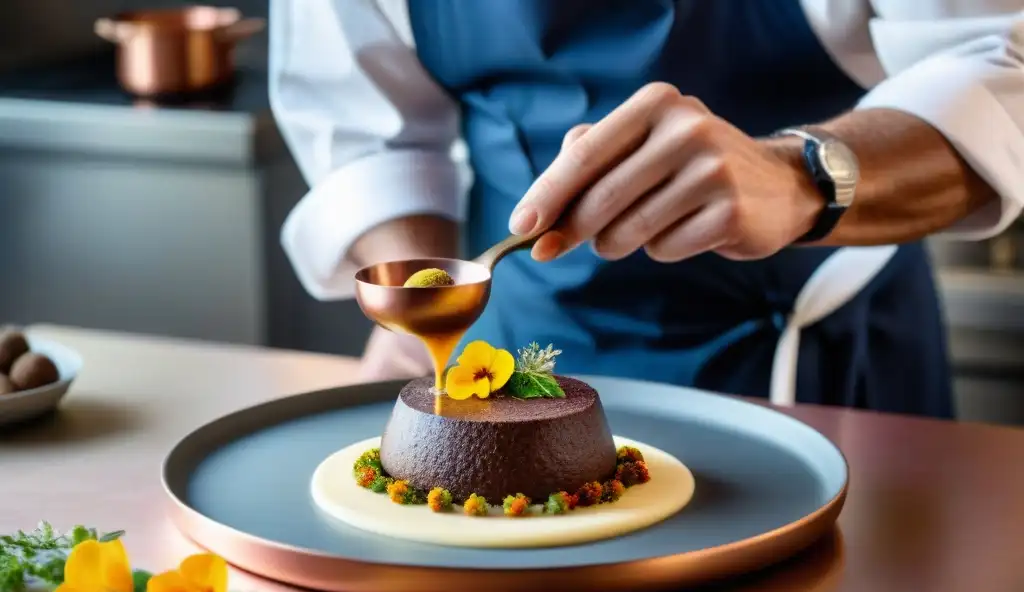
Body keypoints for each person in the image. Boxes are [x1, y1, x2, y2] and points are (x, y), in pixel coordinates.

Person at [267, 1, 1024, 418]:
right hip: (509, 353)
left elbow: (1003, 60)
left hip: (828, 370)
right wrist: (419, 327)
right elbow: (371, 128)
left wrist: (799, 176)